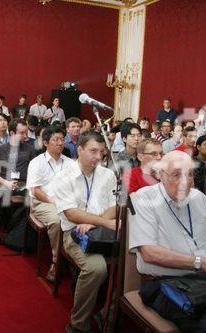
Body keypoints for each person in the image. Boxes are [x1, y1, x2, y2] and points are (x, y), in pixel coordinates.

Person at [129, 150, 206, 333]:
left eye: (190, 175)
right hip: (163, 284)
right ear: (161, 175)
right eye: (177, 175)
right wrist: (202, 263)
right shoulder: (143, 199)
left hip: (203, 280)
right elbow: (149, 253)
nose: (185, 182)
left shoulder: (200, 199)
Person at [53, 131, 117, 333]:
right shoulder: (64, 177)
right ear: (79, 150)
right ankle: (78, 323)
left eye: (101, 152)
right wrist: (100, 222)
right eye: (93, 151)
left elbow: (114, 206)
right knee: (97, 268)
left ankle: (108, 312)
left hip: (103, 229)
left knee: (135, 260)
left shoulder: (108, 174)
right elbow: (71, 214)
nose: (98, 157)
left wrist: (95, 224)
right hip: (73, 233)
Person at [26, 126, 76, 281]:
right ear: (46, 142)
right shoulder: (37, 162)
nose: (61, 143)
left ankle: (72, 257)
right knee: (56, 220)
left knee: (80, 217)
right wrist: (53, 201)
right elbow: (35, 190)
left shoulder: (70, 163)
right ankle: (56, 260)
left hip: (66, 202)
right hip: (43, 202)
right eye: (56, 140)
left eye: (62, 139)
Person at [0, 119, 36, 249]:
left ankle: (19, 235)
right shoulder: (0, 150)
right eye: (22, 133)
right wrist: (7, 183)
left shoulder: (30, 150)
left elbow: (35, 175)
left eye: (26, 133)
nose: (26, 136)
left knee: (30, 197)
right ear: (12, 133)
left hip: (24, 185)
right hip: (5, 184)